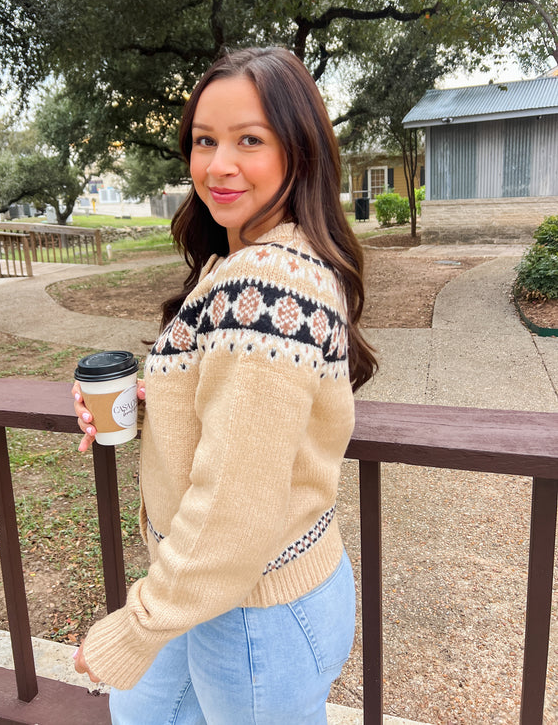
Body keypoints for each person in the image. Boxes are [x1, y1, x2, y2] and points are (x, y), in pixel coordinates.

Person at [72, 46, 377, 724]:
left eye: (250, 140)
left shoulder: (266, 280)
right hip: (225, 589)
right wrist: (152, 411)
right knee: (141, 713)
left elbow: (236, 505)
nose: (218, 164)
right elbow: (246, 420)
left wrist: (137, 623)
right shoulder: (247, 261)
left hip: (251, 608)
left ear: (298, 149)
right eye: (205, 140)